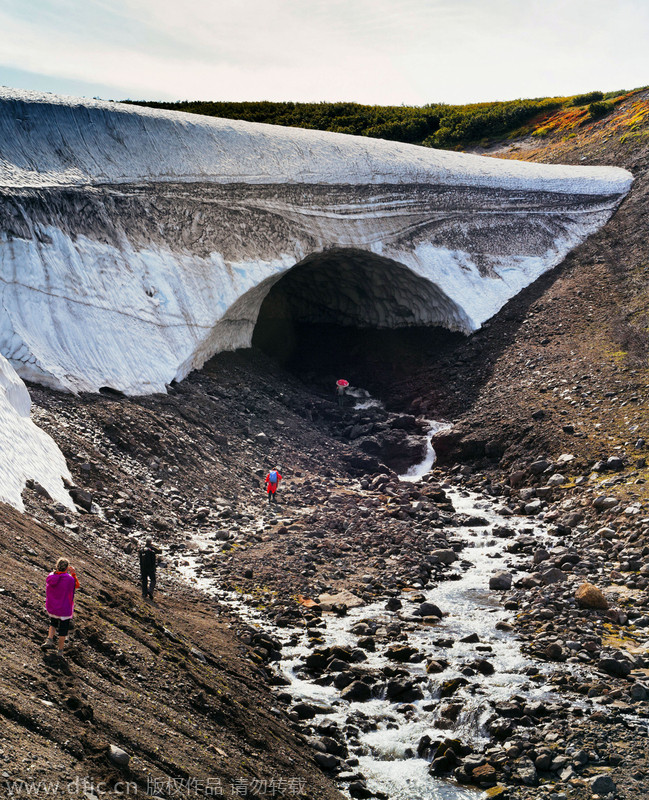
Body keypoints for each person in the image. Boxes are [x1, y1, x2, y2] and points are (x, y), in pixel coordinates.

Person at [42, 558, 79, 655]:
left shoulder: (51, 577)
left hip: (53, 608)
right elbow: (76, 585)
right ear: (67, 568)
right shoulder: (69, 579)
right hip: (64, 609)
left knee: (53, 623)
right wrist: (73, 574)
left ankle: (49, 639)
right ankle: (60, 651)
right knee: (63, 631)